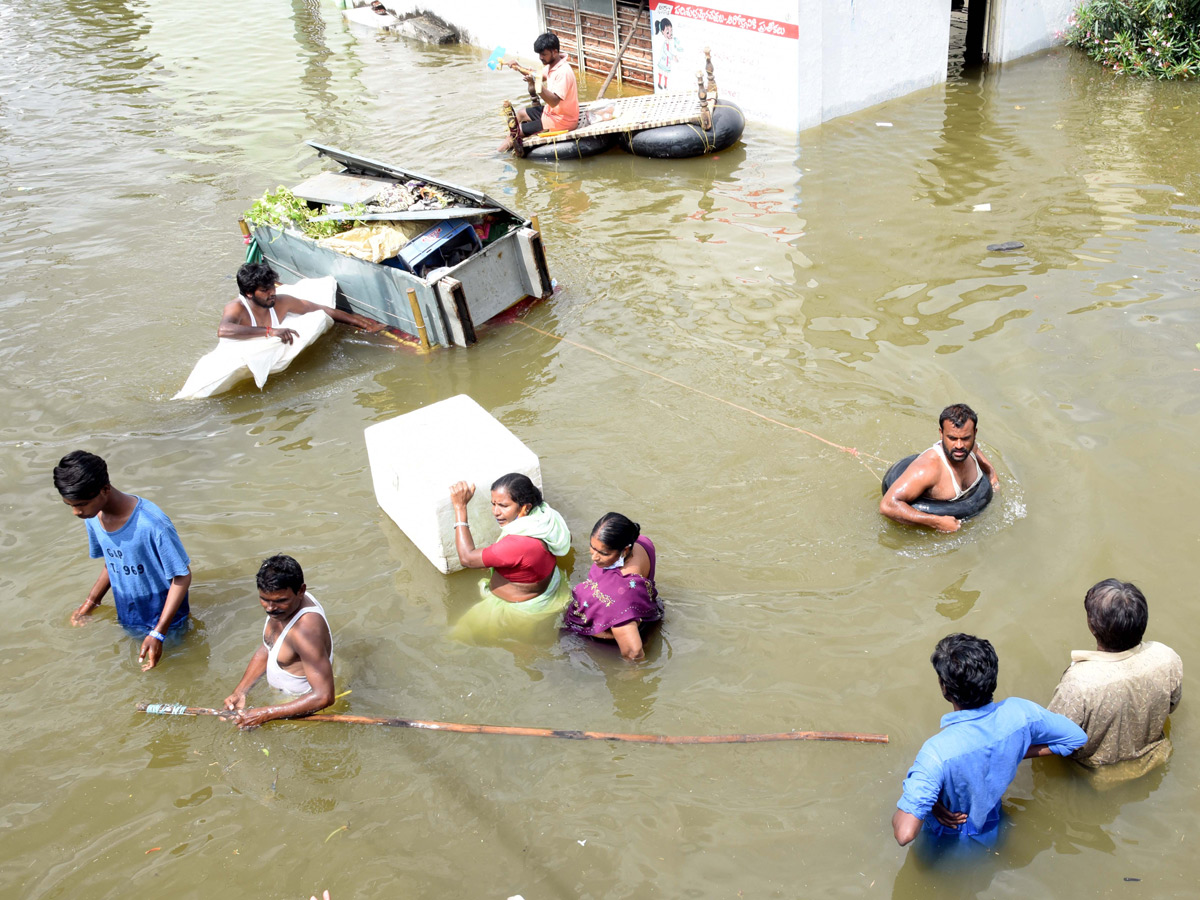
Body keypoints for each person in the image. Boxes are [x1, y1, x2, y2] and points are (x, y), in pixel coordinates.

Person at [892, 633, 1086, 846]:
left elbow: (905, 833)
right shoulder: (1021, 713)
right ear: (993, 677)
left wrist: (931, 803)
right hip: (991, 827)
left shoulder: (936, 753)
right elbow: (1076, 738)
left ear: (945, 688)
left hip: (946, 836)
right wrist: (1017, 750)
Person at [54, 450, 192, 671]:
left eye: (80, 504)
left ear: (105, 490)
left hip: (166, 619)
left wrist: (159, 631)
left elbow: (182, 576)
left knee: (176, 668)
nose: (75, 512)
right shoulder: (93, 516)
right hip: (128, 612)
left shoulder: (152, 524)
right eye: (70, 505)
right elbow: (112, 561)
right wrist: (90, 604)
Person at [1047, 579, 1182, 771]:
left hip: (1094, 772)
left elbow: (1053, 736)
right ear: (1143, 619)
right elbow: (1172, 706)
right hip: (1155, 757)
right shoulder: (1167, 657)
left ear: (1092, 627)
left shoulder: (1079, 682)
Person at [448, 474, 571, 639]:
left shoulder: (518, 544)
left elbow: (467, 558)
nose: (495, 512)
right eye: (493, 504)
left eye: (503, 506)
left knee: (457, 637)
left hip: (519, 609)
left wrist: (460, 507)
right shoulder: (545, 516)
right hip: (548, 588)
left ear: (525, 508)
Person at [223, 555, 334, 729]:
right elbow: (268, 648)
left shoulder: (306, 631)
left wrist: (265, 714)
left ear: (301, 591)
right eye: (264, 599)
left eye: (280, 601)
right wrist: (240, 692)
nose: (270, 608)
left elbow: (323, 696)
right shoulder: (284, 607)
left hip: (301, 710)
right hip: (280, 703)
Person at [880, 403, 1000, 533]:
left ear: (974, 434)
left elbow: (983, 461)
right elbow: (887, 505)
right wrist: (936, 522)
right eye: (952, 438)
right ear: (941, 433)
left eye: (965, 438)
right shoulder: (927, 469)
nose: (959, 445)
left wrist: (992, 476)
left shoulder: (972, 448)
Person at [563, 513, 662, 660]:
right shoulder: (641, 541)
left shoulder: (620, 592)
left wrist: (631, 676)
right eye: (592, 547)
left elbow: (634, 651)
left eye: (603, 553)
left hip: (610, 640)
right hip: (642, 614)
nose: (594, 557)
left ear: (625, 550)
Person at [219, 262, 382, 345]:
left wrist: (364, 325)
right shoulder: (237, 308)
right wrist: (270, 331)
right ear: (249, 293)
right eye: (264, 291)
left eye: (272, 288)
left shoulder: (281, 302)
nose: (272, 293)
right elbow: (224, 330)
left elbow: (322, 309)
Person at [499, 33, 579, 150]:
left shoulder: (563, 72)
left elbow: (554, 102)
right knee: (521, 113)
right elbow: (536, 74)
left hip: (562, 120)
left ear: (554, 52)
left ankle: (495, 154)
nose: (540, 57)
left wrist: (537, 85)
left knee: (517, 131)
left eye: (543, 54)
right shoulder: (553, 64)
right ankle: (507, 140)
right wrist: (518, 66)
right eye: (539, 54)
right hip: (552, 113)